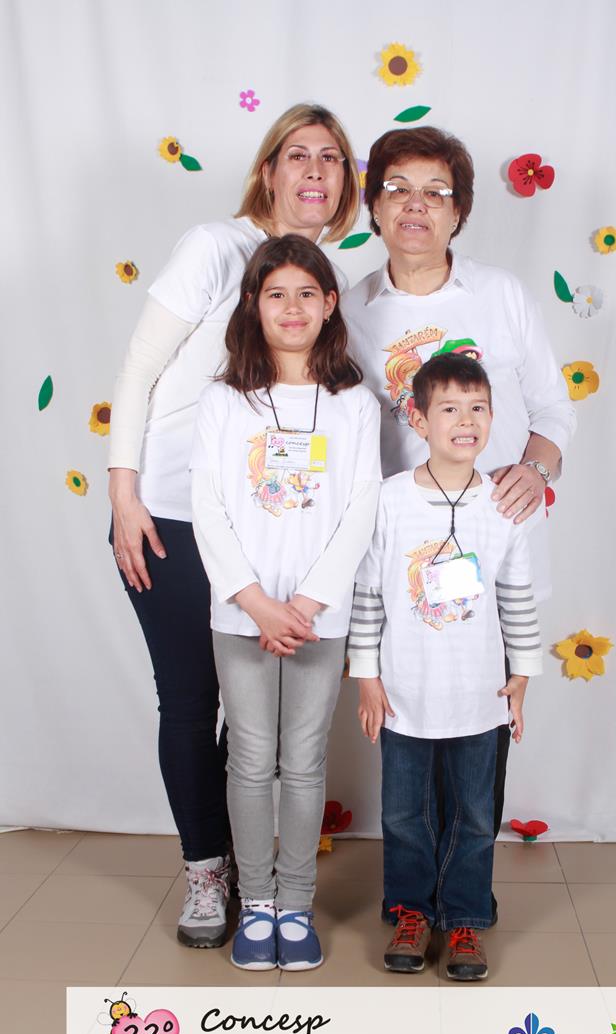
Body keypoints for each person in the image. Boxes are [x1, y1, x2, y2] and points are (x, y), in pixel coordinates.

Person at [107, 104, 360, 949]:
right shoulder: (215, 247)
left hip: (273, 528)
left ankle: (258, 875)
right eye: (298, 155)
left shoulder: (327, 279)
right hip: (174, 518)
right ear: (268, 170)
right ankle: (207, 874)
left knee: (257, 724)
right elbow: (138, 370)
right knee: (192, 702)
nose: (315, 171)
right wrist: (125, 495)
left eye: (332, 158)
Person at [342, 125, 575, 875]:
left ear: (459, 211)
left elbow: (553, 408)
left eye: (435, 193)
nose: (416, 206)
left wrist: (536, 470)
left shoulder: (499, 294)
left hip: (492, 548)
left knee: (479, 735)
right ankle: (414, 895)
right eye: (397, 189)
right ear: (374, 206)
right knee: (408, 734)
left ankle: (466, 896)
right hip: (395, 558)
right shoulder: (351, 309)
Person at [190, 235, 381, 971]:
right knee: (249, 760)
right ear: (253, 304)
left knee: (302, 762)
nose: (292, 308)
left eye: (307, 293)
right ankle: (258, 904)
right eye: (276, 294)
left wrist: (305, 602)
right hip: (241, 613)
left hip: (317, 618)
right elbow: (207, 505)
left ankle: (295, 906)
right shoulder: (223, 400)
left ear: (330, 304)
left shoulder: (353, 403)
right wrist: (255, 602)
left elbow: (361, 505)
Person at [348, 354, 542, 980]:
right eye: (450, 408)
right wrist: (367, 676)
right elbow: (368, 594)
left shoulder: (503, 506)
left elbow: (516, 595)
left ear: (493, 418)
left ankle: (464, 918)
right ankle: (411, 911)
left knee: (474, 816)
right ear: (419, 419)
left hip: (479, 696)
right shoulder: (390, 500)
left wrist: (521, 676)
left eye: (478, 408)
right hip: (404, 694)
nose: (465, 421)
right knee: (404, 814)